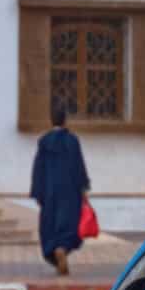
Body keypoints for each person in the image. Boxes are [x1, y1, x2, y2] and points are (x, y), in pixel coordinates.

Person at [30, 107, 91, 276]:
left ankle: (56, 255)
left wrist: (37, 192)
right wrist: (84, 187)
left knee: (50, 225)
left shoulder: (44, 141)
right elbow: (79, 166)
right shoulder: (72, 141)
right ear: (65, 120)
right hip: (70, 192)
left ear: (51, 120)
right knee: (69, 224)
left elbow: (38, 168)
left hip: (50, 192)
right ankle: (62, 248)